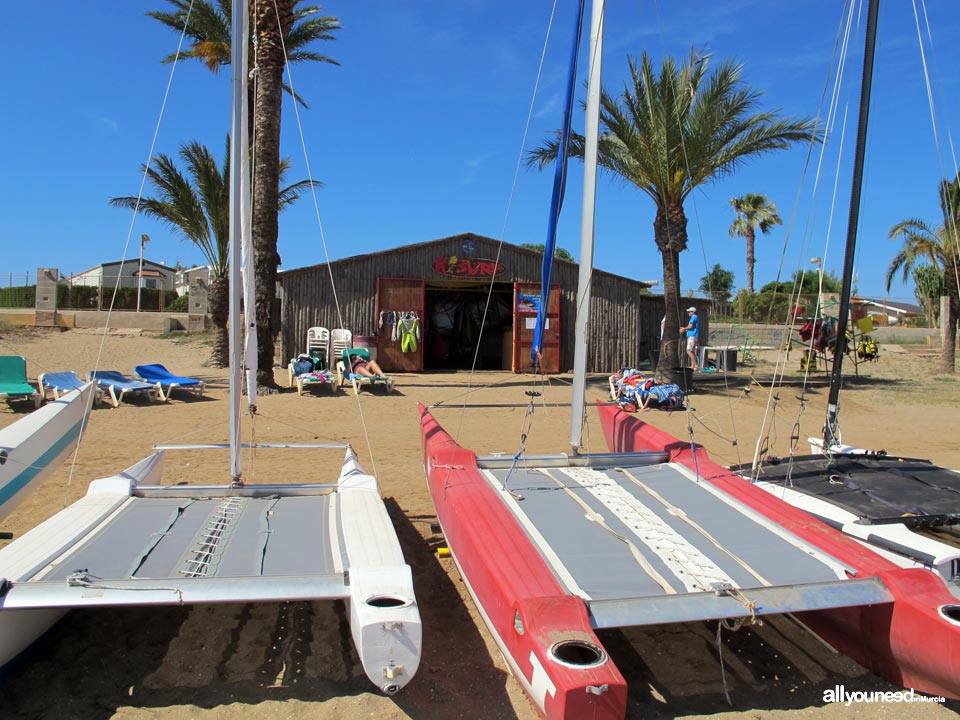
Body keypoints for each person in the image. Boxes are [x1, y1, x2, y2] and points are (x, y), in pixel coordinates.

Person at [680, 306, 700, 371]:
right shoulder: (695, 317)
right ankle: (692, 366)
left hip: (692, 336)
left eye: (689, 311)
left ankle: (696, 365)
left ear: (693, 312)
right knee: (692, 351)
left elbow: (690, 326)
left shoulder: (693, 317)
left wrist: (684, 329)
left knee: (688, 351)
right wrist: (686, 329)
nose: (688, 313)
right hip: (694, 335)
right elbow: (692, 327)